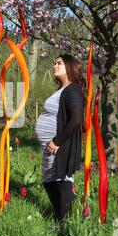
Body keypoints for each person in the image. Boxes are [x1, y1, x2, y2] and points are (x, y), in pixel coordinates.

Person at [34, 54, 86, 222]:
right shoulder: (63, 90)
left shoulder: (73, 90)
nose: (54, 66)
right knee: (49, 180)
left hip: (59, 145)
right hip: (50, 145)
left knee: (61, 181)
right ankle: (61, 218)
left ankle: (68, 222)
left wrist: (57, 141)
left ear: (70, 67)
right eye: (54, 63)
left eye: (59, 63)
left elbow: (76, 119)